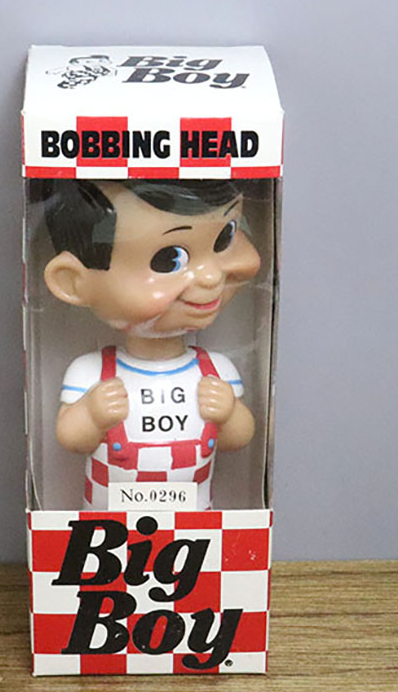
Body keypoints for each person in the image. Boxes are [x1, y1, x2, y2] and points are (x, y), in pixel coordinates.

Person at [41, 179, 261, 509]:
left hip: (194, 517)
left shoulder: (216, 370)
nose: (211, 276)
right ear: (73, 282)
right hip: (108, 518)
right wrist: (92, 415)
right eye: (169, 259)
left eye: (224, 238)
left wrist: (229, 414)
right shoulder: (91, 371)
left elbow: (238, 438)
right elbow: (71, 437)